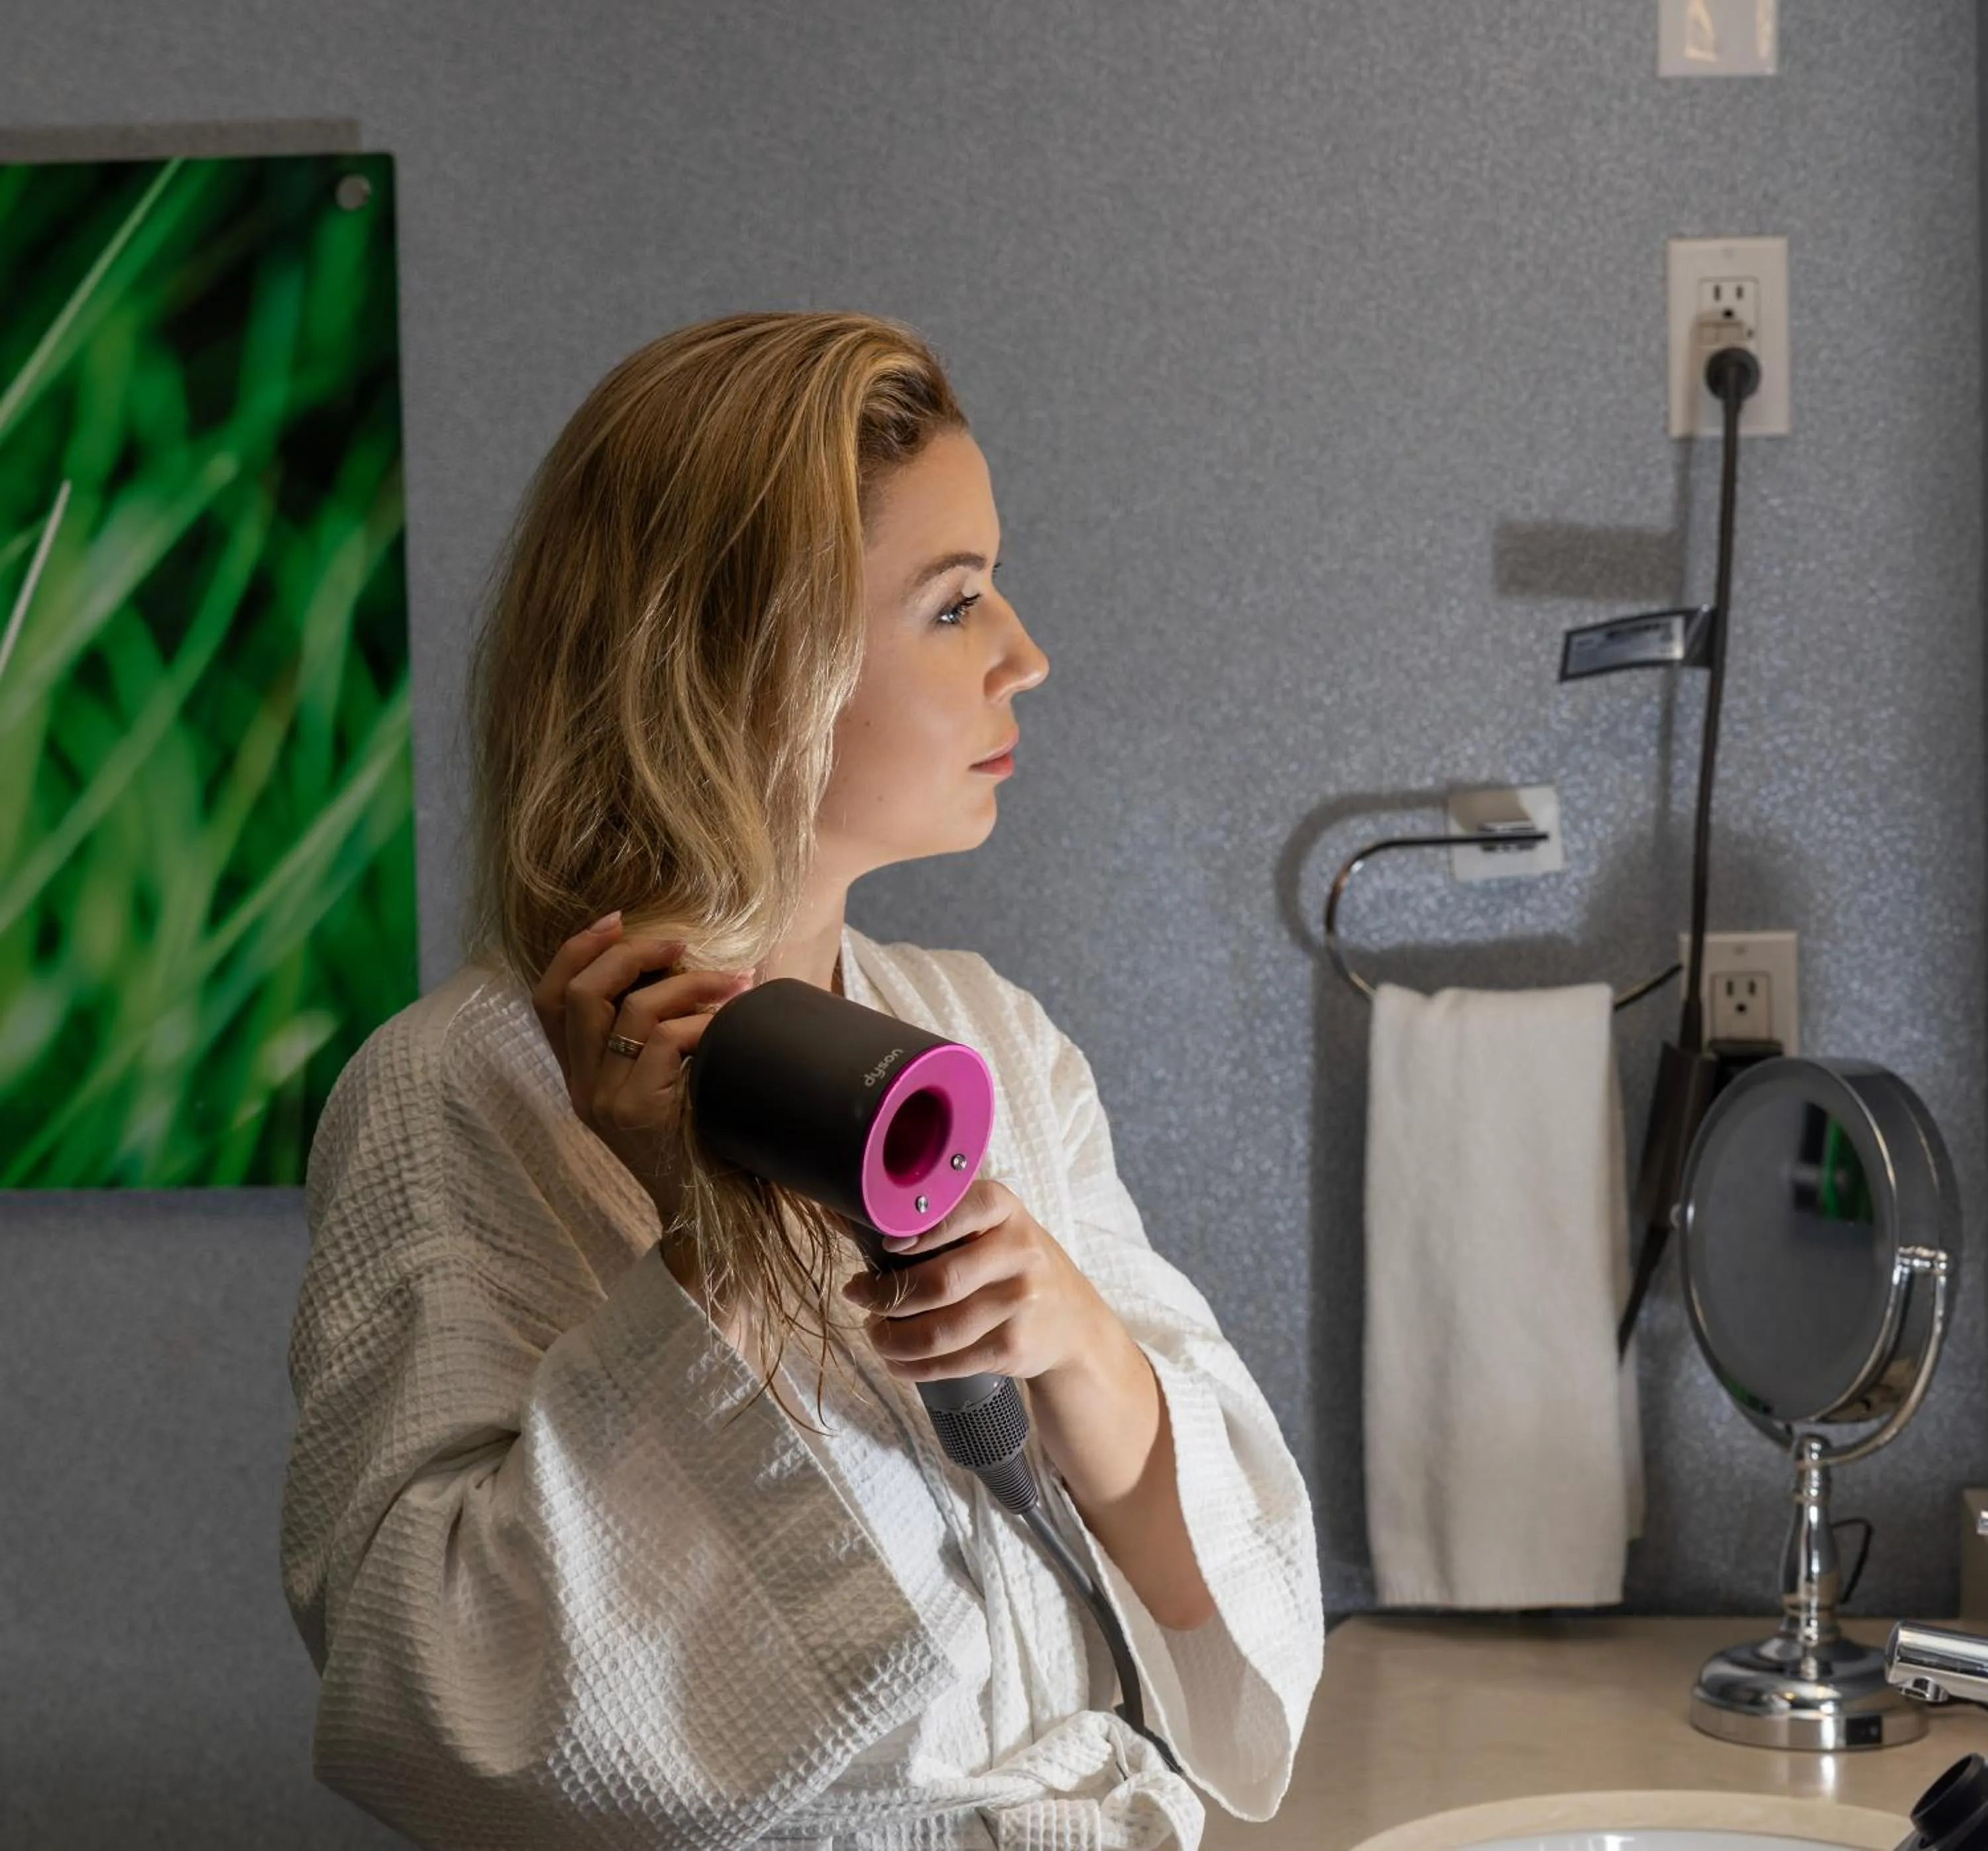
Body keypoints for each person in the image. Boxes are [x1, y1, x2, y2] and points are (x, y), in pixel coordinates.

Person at [279, 309, 1323, 1850]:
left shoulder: (990, 1039)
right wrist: (699, 1242)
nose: (1025, 652)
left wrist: (1076, 1340)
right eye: (956, 603)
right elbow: (430, 1692)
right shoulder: (455, 1094)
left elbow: (1215, 1623)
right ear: (748, 662)